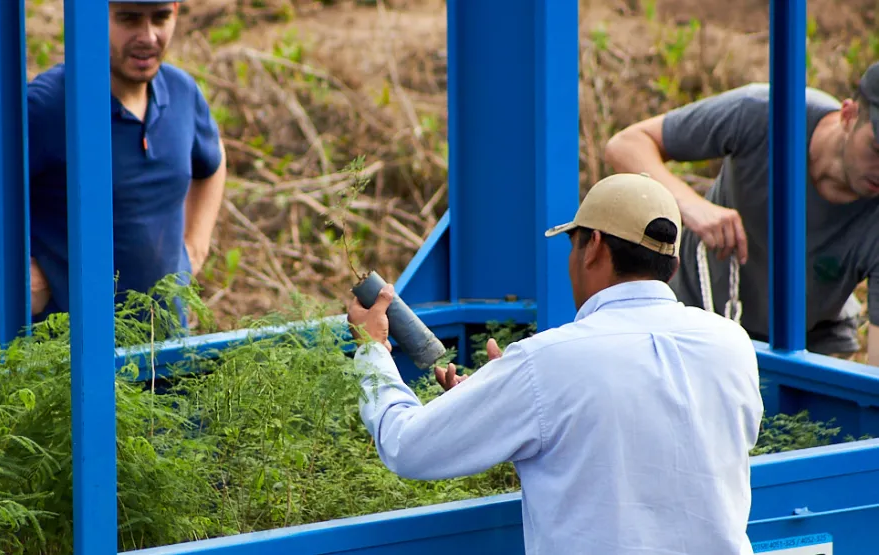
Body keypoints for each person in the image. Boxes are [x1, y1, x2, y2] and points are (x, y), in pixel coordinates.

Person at [346, 173, 764, 555]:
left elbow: (407, 446)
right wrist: (508, 409)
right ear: (671, 265)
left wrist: (372, 350)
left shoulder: (545, 363)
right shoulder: (731, 344)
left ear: (593, 247)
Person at [0, 0, 226, 327]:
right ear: (94, 17)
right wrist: (14, 279)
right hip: (69, 365)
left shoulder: (182, 93)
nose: (148, 36)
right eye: (129, 19)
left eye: (160, 18)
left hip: (167, 361)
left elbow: (212, 161)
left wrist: (195, 247)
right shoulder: (51, 106)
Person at [603, 62, 879, 364]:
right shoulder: (766, 114)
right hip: (696, 318)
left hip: (809, 346)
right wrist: (690, 206)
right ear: (848, 115)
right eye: (877, 149)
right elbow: (627, 145)